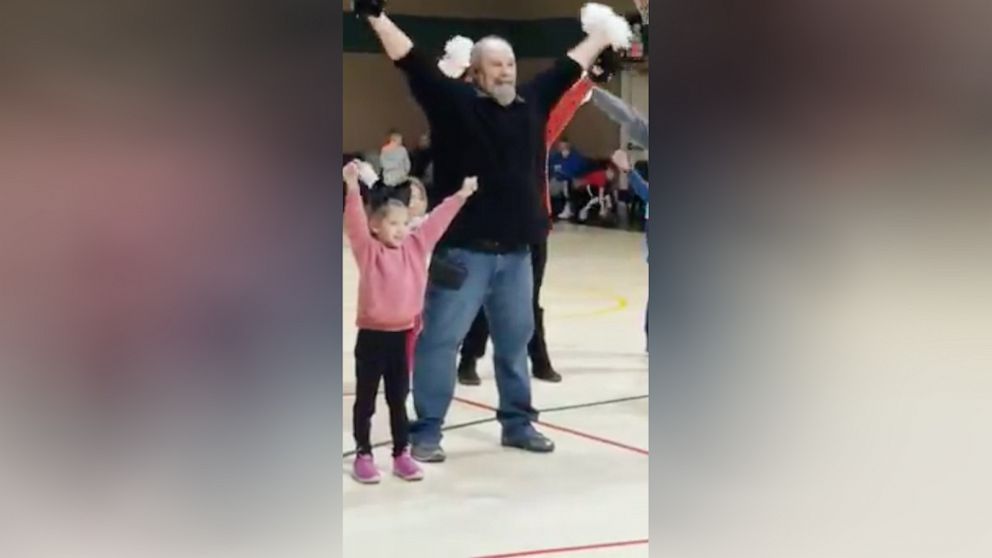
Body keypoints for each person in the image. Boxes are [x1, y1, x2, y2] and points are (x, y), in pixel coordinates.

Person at [354, 0, 631, 462]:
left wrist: (604, 33)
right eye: (493, 66)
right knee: (440, 341)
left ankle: (518, 423)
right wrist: (375, 17)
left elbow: (571, 64)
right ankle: (427, 431)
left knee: (514, 342)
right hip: (460, 254)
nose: (504, 72)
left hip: (518, 255)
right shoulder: (453, 103)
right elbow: (411, 61)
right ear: (476, 74)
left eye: (509, 64)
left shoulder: (534, 101)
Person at [456, 64, 604, 387]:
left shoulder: (538, 129)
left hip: (533, 227)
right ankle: (468, 359)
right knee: (483, 296)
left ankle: (538, 360)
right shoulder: (477, 132)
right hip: (491, 225)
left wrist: (590, 78)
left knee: (530, 298)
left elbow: (563, 108)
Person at [342, 160, 477, 484]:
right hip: (373, 337)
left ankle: (401, 453)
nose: (400, 230)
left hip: (403, 336)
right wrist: (351, 188)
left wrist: (460, 195)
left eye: (404, 223)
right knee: (366, 398)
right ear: (376, 227)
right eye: (392, 224)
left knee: (397, 398)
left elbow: (437, 222)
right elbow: (356, 223)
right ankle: (364, 453)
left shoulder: (416, 248)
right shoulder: (369, 251)